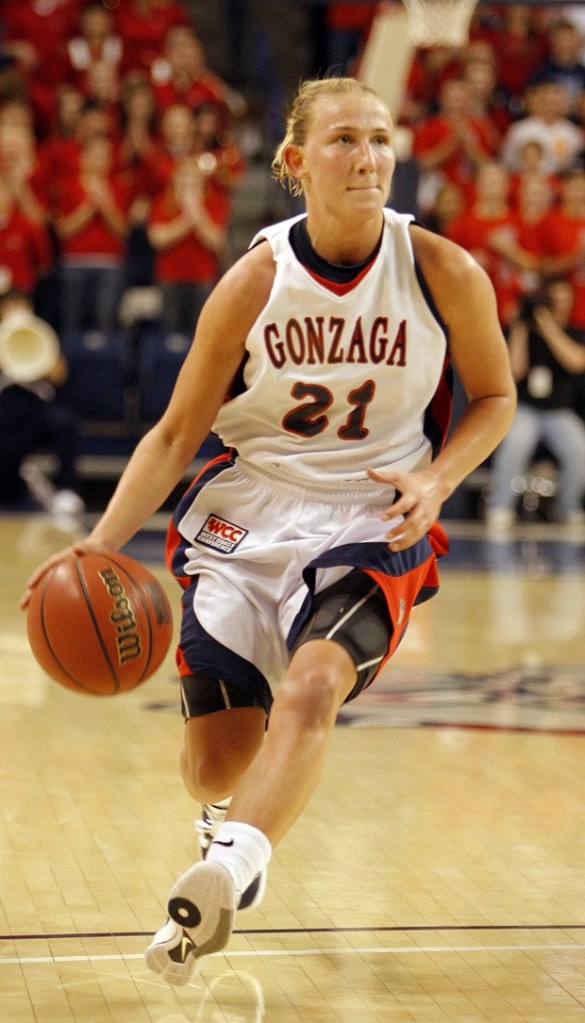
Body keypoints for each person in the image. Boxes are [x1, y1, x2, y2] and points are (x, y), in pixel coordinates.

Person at [20, 76, 516, 986]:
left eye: (379, 138)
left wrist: (437, 478)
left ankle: (230, 868)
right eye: (342, 140)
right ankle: (228, 817)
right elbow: (174, 433)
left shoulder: (443, 270)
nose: (366, 157)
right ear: (294, 161)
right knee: (216, 764)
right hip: (249, 510)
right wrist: (97, 545)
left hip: (372, 511)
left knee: (316, 684)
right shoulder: (255, 280)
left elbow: (494, 395)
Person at [486, 279, 585, 532]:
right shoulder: (527, 330)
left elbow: (575, 361)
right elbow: (514, 370)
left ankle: (568, 508)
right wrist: (520, 326)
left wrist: (548, 325)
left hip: (559, 411)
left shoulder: (575, 332)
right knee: (515, 443)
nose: (561, 306)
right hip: (527, 408)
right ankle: (500, 507)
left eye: (565, 301)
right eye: (555, 301)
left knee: (579, 449)